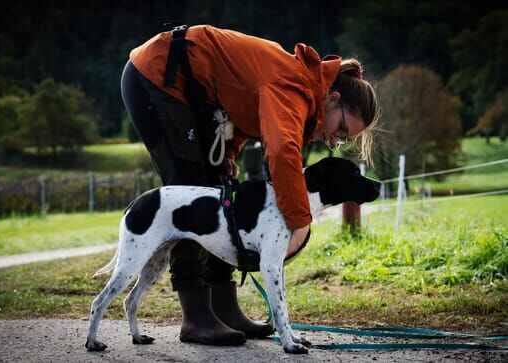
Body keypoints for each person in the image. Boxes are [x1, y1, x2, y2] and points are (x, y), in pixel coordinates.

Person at [121, 24, 380, 346]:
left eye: (343, 140)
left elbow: (244, 109)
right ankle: (196, 315)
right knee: (191, 188)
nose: (335, 139)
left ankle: (223, 307)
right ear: (334, 98)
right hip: (157, 76)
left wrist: (229, 153)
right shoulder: (294, 87)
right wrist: (299, 221)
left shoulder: (304, 91)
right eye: (341, 128)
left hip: (194, 94)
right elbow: (282, 152)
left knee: (220, 187)